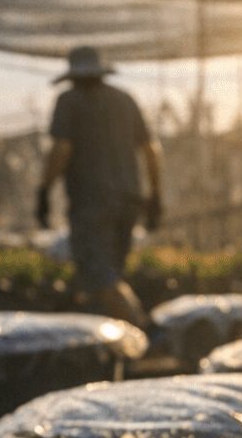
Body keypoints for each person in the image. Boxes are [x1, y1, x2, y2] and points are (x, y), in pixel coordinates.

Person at [37, 46, 162, 328]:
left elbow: (61, 149)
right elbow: (150, 150)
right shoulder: (125, 99)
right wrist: (155, 195)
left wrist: (44, 192)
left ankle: (144, 335)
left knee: (102, 281)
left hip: (92, 202)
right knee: (111, 277)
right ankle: (128, 336)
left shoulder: (69, 101)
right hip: (130, 201)